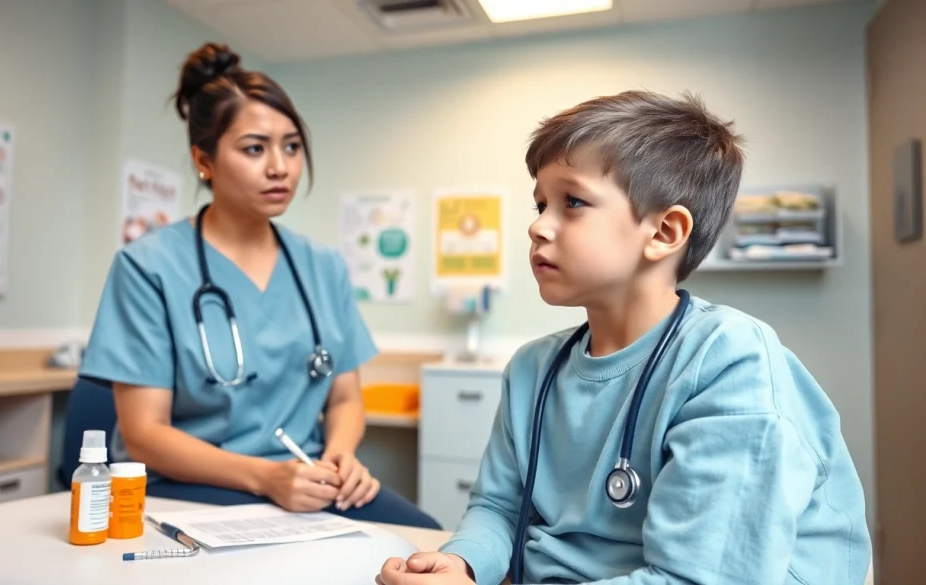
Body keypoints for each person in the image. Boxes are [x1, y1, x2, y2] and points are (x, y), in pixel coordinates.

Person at [377, 90, 871, 584]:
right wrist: (463, 564)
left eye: (572, 202)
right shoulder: (531, 369)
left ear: (664, 232)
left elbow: (699, 578)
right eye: (540, 202)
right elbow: (499, 506)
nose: (537, 226)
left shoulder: (730, 361)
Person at [78, 41, 439, 530]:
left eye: (291, 146)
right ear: (203, 160)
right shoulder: (149, 267)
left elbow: (346, 398)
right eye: (255, 148)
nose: (280, 167)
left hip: (304, 481)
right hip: (188, 487)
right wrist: (266, 477)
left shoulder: (323, 266)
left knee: (421, 542)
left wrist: (338, 458)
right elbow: (144, 434)